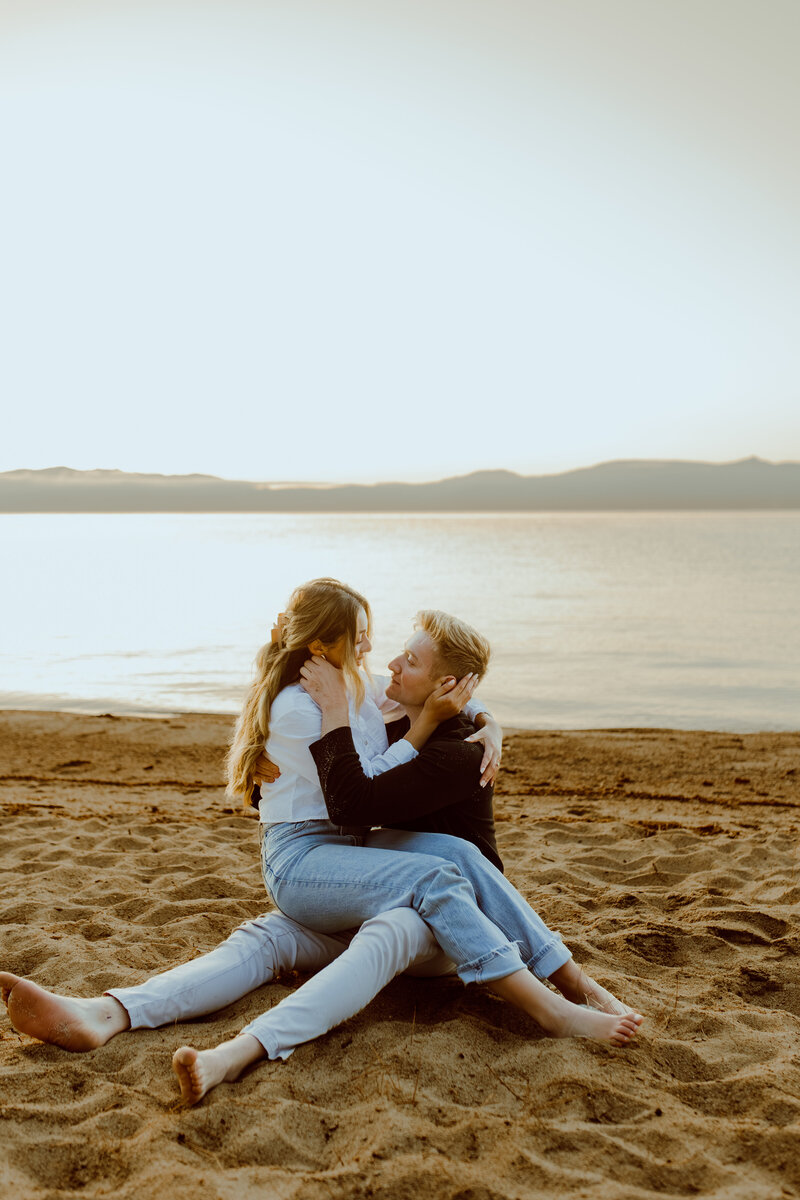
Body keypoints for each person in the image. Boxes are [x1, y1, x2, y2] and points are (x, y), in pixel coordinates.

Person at [1, 580, 642, 1104]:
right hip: (311, 858)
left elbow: (393, 728)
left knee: (443, 864)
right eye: (360, 643)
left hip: (347, 860)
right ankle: (556, 1006)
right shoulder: (307, 706)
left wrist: (487, 720)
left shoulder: (348, 690)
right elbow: (356, 791)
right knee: (433, 875)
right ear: (322, 645)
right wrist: (385, 723)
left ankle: (105, 1014)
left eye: (381, 647)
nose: (376, 655)